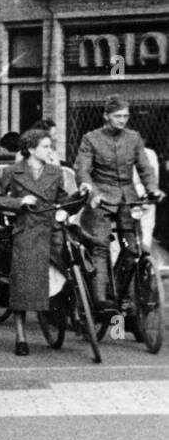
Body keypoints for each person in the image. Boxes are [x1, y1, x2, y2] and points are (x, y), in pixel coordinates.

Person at [73, 95, 164, 308]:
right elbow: (83, 169)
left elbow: (145, 168)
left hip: (127, 199)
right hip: (101, 199)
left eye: (125, 116)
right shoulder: (91, 138)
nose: (122, 120)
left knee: (133, 250)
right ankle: (101, 299)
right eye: (118, 116)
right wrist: (90, 190)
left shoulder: (134, 138)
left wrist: (153, 189)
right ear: (106, 116)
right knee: (100, 247)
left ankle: (120, 292)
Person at [0, 128, 67, 357]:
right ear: (31, 149)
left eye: (49, 146)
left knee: (64, 276)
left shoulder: (55, 171)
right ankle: (21, 336)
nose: (49, 151)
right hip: (26, 233)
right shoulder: (13, 172)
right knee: (22, 287)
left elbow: (63, 199)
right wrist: (19, 201)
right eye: (44, 146)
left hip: (52, 231)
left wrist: (75, 201)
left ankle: (62, 319)